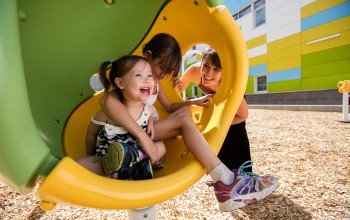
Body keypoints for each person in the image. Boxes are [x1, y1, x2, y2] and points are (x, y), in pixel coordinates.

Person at [99, 33, 279, 211]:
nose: (163, 74)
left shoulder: (155, 84)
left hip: (144, 131)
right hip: (129, 132)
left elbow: (169, 106)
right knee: (182, 120)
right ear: (148, 56)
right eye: (162, 67)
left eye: (168, 72)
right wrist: (143, 137)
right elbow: (107, 101)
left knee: (183, 114)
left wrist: (194, 102)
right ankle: (225, 181)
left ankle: (224, 178)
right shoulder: (132, 76)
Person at [78, 55, 166, 180]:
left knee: (161, 147)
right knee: (81, 164)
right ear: (120, 83)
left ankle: (129, 165)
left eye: (149, 75)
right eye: (138, 75)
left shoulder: (146, 109)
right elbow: (91, 133)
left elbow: (151, 114)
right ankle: (134, 169)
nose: (146, 80)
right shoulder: (109, 113)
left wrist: (150, 123)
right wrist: (89, 155)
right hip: (108, 159)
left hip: (136, 152)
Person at [175, 47, 252, 186]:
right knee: (214, 140)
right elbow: (177, 90)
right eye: (206, 65)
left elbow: (243, 115)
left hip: (233, 109)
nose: (209, 73)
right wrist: (175, 84)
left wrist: (219, 123)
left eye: (216, 69)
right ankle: (220, 176)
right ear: (202, 62)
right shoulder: (194, 71)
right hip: (214, 103)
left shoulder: (231, 84)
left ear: (224, 71)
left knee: (235, 135)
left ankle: (244, 178)